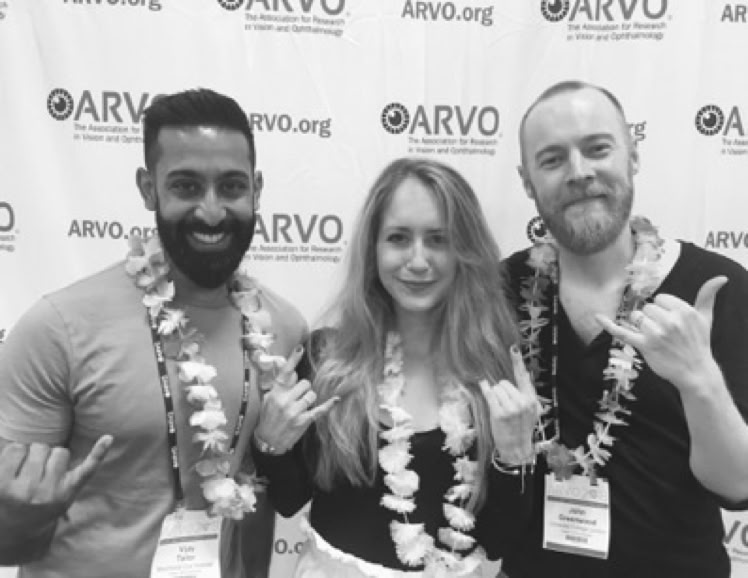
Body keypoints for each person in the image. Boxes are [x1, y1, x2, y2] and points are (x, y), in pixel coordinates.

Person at [0, 88, 307, 577]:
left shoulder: (283, 330)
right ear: (148, 189)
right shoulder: (59, 328)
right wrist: (20, 518)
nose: (211, 211)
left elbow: (270, 496)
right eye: (186, 187)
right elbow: (8, 536)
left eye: (231, 187)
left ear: (257, 189)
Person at [501, 80, 748, 578]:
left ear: (632, 156)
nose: (579, 172)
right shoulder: (503, 289)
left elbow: (737, 487)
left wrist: (698, 379)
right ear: (527, 182)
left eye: (597, 149)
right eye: (552, 159)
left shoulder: (714, 287)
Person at [251, 157, 538, 577]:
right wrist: (270, 443)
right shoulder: (328, 360)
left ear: (465, 251)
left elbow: (499, 540)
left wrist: (514, 457)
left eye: (438, 239)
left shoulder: (494, 371)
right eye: (398, 238)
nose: (418, 261)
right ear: (374, 249)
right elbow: (289, 498)